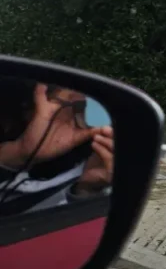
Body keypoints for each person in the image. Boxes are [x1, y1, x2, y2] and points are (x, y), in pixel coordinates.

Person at [0, 81, 114, 216]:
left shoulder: (98, 166)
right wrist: (17, 154)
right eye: (82, 106)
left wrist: (86, 189)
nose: (101, 124)